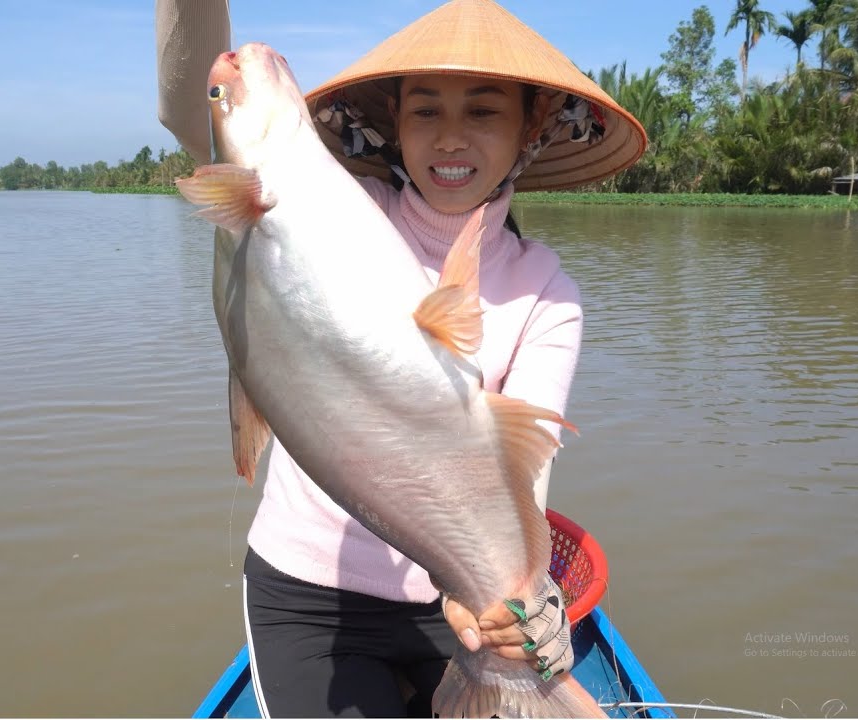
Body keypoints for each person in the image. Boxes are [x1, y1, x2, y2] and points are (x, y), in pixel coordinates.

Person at [156, 1, 646, 716]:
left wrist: (509, 606)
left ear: (529, 128)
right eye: (424, 112)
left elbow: (523, 471)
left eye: (482, 112)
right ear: (394, 123)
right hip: (308, 600)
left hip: (446, 598)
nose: (450, 137)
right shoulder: (336, 204)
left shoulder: (550, 295)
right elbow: (191, 111)